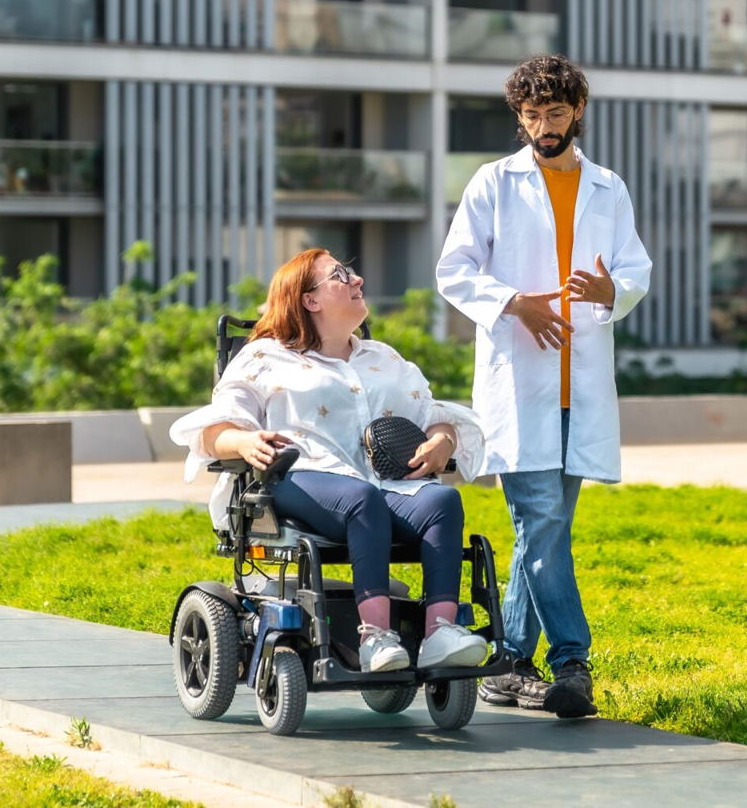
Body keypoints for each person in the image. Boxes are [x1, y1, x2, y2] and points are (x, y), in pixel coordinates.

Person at [436, 55, 651, 718]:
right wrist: (512, 302)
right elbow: (455, 268)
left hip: (577, 386)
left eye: (554, 113)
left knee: (547, 531)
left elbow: (634, 267)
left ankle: (504, 661)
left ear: (576, 110)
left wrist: (614, 290)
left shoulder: (608, 188)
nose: (542, 126)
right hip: (520, 382)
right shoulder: (493, 183)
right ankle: (572, 660)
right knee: (543, 521)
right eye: (531, 115)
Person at [170, 248, 491, 674]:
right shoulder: (265, 357)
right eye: (341, 275)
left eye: (353, 273)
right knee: (361, 499)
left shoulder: (384, 358)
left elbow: (434, 417)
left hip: (382, 486)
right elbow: (214, 429)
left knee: (441, 502)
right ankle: (375, 636)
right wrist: (244, 442)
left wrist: (442, 440)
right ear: (310, 300)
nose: (357, 280)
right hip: (298, 479)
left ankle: (440, 633)